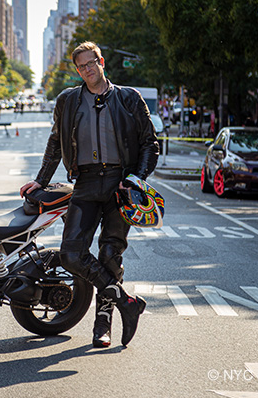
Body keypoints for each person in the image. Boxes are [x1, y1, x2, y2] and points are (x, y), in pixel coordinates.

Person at [20, 41, 159, 348]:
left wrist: (135, 179)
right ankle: (126, 300)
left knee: (110, 255)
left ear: (102, 62)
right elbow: (56, 143)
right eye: (80, 66)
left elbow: (150, 143)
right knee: (71, 254)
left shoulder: (128, 98)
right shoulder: (68, 100)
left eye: (90, 64)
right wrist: (40, 181)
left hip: (119, 184)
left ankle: (102, 325)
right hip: (84, 183)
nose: (86, 70)